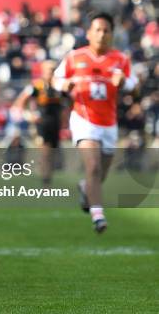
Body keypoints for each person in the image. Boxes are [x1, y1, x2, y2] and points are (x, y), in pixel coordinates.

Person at [53, 12, 137, 234]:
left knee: (100, 175)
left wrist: (125, 83)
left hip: (109, 123)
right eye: (97, 30)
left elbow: (135, 86)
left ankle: (85, 187)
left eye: (106, 30)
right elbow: (56, 79)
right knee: (93, 166)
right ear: (89, 33)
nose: (102, 34)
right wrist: (65, 85)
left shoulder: (121, 59)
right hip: (83, 118)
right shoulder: (74, 57)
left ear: (112, 34)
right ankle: (98, 215)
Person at [11, 60, 65, 187]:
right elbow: (21, 101)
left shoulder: (59, 86)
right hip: (42, 123)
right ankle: (45, 178)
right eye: (49, 70)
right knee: (45, 149)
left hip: (55, 122)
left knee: (52, 150)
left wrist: (65, 118)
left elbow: (68, 101)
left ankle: (47, 176)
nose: (51, 73)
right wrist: (28, 115)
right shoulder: (37, 86)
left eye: (53, 70)